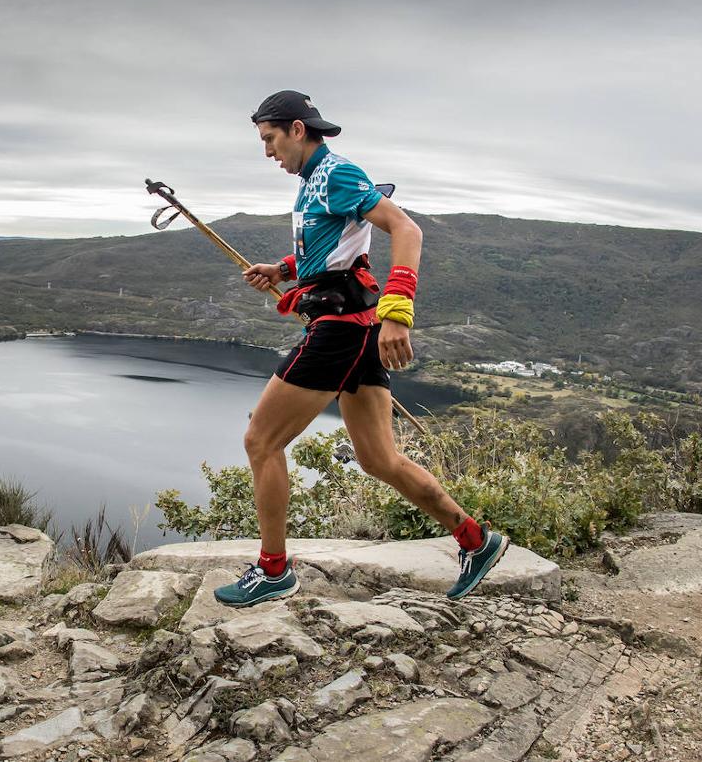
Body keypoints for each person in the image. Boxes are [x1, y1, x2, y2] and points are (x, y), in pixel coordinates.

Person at [212, 90, 509, 608]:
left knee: (260, 441)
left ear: (297, 129)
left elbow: (405, 229)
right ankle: (476, 541)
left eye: (270, 139)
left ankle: (274, 570)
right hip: (354, 328)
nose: (267, 152)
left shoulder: (337, 173)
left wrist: (399, 311)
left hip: (342, 330)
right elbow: (336, 245)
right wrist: (283, 270)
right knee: (379, 459)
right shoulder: (315, 182)